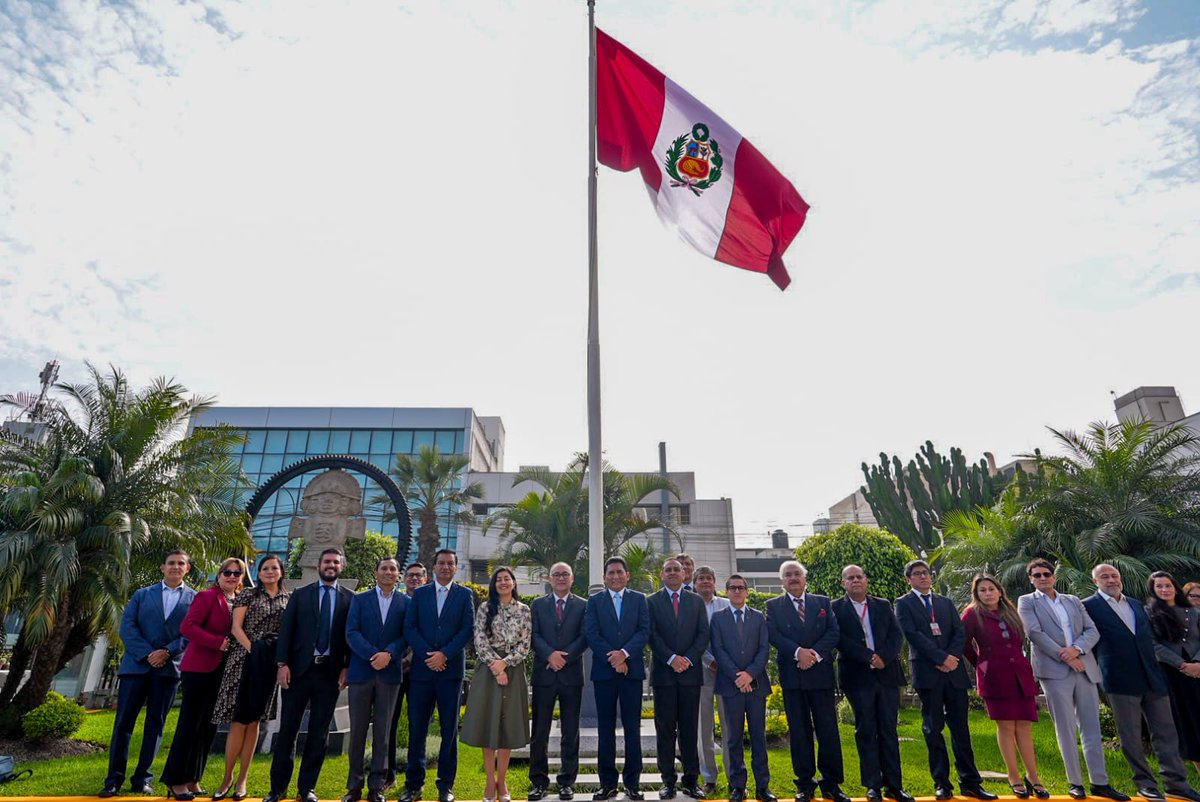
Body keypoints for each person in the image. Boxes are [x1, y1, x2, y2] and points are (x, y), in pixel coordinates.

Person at [1083, 563, 1200, 802]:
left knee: (1167, 733)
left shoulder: (1137, 605)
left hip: (1152, 676)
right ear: (1095, 581)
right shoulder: (1088, 606)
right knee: (1131, 736)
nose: (1111, 579)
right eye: (1104, 576)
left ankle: (1176, 784)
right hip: (1120, 679)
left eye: (1114, 575)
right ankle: (1145, 784)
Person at [1017, 559, 1127, 802]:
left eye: (1046, 574)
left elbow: (1092, 631)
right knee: (1065, 728)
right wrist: (1066, 657)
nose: (1042, 578)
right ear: (1031, 579)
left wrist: (1076, 650)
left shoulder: (1073, 600)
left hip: (1084, 668)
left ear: (1054, 577)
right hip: (1054, 671)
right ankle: (1075, 782)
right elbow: (1034, 633)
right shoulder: (1027, 601)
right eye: (1037, 575)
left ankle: (1100, 783)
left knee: (1092, 727)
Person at [894, 559, 996, 802]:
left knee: (961, 728)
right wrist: (940, 658)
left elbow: (959, 632)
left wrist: (951, 658)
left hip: (954, 673)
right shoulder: (903, 603)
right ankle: (942, 783)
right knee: (933, 729)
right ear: (909, 579)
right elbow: (912, 635)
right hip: (928, 672)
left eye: (926, 572)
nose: (923, 576)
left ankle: (970, 783)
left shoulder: (944, 602)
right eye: (917, 574)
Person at [100, 550, 197, 798]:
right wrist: (147, 654)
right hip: (136, 667)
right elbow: (127, 626)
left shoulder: (194, 598)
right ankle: (113, 780)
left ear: (187, 569)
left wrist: (167, 651)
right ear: (163, 567)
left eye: (181, 564)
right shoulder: (142, 594)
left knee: (155, 725)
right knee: (123, 724)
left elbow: (190, 633)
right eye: (171, 563)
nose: (175, 567)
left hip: (167, 670)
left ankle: (142, 778)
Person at [264, 548, 354, 802]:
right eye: (327, 561)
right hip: (298, 672)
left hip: (330, 674)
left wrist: (347, 667)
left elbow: (350, 636)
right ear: (319, 565)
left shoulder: (350, 599)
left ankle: (307, 788)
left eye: (335, 562)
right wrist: (282, 664)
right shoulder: (301, 595)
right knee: (288, 730)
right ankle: (277, 788)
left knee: (319, 733)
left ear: (341, 566)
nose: (331, 565)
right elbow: (287, 630)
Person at [162, 557, 246, 799]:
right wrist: (216, 642)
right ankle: (175, 780)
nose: (232, 576)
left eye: (237, 573)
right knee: (189, 724)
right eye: (227, 572)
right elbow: (188, 627)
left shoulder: (239, 601)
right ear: (219, 575)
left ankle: (193, 778)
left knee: (208, 727)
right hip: (199, 669)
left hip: (224, 671)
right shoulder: (207, 596)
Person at [765, 560, 847, 802]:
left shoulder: (822, 602)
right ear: (782, 581)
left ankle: (831, 783)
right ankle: (804, 784)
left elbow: (833, 632)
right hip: (793, 677)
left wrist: (813, 655)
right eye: (788, 575)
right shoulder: (773, 606)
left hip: (821, 675)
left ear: (804, 578)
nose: (793, 578)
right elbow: (773, 635)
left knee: (828, 731)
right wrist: (798, 653)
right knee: (799, 732)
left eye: (797, 574)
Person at [830, 565, 912, 802]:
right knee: (866, 730)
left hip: (886, 674)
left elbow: (896, 635)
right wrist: (868, 656)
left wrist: (883, 657)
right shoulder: (835, 608)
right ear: (843, 583)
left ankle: (894, 785)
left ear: (866, 580)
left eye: (859, 577)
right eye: (850, 578)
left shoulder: (882, 605)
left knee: (888, 729)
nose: (855, 580)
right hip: (857, 677)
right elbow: (838, 639)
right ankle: (873, 785)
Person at [211, 554, 291, 802]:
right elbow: (236, 627)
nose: (269, 571)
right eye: (265, 568)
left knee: (255, 721)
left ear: (281, 571)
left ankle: (243, 779)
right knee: (239, 721)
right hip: (243, 659)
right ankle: (227, 777)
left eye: (274, 568)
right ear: (259, 572)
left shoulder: (288, 599)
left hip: (269, 664)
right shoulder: (248, 594)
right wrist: (253, 650)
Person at [400, 548, 476, 802]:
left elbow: (467, 629)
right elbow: (410, 628)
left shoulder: (464, 594)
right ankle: (414, 786)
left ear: (456, 567)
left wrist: (444, 654)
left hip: (450, 672)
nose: (445, 567)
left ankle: (446, 786)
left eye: (449, 563)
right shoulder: (420, 594)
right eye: (441, 563)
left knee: (449, 730)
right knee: (417, 729)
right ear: (433, 567)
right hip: (422, 672)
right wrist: (429, 655)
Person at [961, 574, 1046, 799]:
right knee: (1007, 726)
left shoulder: (1011, 612)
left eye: (991, 589)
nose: (988, 593)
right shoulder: (972, 614)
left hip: (1020, 675)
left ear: (1000, 591)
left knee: (1024, 725)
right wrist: (982, 664)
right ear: (976, 594)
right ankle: (1014, 777)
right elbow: (963, 643)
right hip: (994, 677)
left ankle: (1033, 777)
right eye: (982, 590)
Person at [461, 567, 532, 802]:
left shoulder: (524, 610)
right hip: (488, 670)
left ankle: (502, 780)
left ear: (513, 583)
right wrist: (495, 666)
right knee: (489, 722)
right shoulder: (485, 608)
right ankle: (490, 781)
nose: (503, 582)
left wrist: (506, 663)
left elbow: (525, 644)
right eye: (499, 579)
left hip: (514, 668)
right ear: (494, 584)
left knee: (508, 725)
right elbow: (479, 640)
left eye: (507, 579)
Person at [584, 556, 650, 802]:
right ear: (604, 577)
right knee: (605, 729)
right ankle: (607, 784)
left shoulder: (639, 599)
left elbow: (644, 631)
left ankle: (633, 783)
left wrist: (624, 654)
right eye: (610, 573)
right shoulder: (595, 601)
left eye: (619, 572)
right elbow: (591, 633)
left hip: (631, 672)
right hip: (604, 673)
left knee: (632, 728)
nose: (615, 576)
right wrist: (613, 658)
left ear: (627, 575)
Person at [345, 557, 410, 802]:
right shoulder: (360, 599)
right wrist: (373, 655)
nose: (388, 572)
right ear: (376, 572)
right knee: (358, 731)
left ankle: (377, 786)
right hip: (362, 672)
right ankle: (354, 786)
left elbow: (407, 634)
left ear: (398, 574)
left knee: (383, 732)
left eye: (393, 569)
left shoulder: (406, 602)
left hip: (389, 674)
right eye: (384, 568)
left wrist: (389, 654)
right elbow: (351, 632)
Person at [647, 558, 710, 800]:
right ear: (662, 575)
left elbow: (703, 634)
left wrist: (687, 659)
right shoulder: (651, 601)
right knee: (665, 730)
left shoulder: (696, 601)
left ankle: (691, 781)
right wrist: (672, 658)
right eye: (668, 570)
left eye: (677, 569)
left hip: (690, 675)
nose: (673, 573)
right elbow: (651, 635)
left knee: (689, 729)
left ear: (685, 574)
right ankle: (668, 782)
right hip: (664, 675)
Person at [709, 574, 774, 802]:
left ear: (747, 591)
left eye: (740, 587)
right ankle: (738, 786)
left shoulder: (758, 617)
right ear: (726, 591)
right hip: (730, 686)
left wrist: (749, 674)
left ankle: (762, 787)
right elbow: (718, 649)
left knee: (758, 737)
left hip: (756, 686)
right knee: (733, 738)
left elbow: (764, 649)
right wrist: (737, 676)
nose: (737, 591)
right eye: (732, 588)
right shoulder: (718, 618)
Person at [528, 562, 588, 802]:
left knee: (570, 731)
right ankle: (538, 782)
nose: (561, 578)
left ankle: (566, 782)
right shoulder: (537, 604)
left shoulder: (583, 605)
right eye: (557, 574)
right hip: (544, 674)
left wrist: (564, 657)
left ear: (572, 578)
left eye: (565, 574)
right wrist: (550, 655)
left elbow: (585, 636)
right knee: (539, 731)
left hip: (571, 676)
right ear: (549, 578)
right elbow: (533, 635)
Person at [1147, 571, 1200, 774]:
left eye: (1168, 585)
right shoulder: (1148, 613)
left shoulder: (1193, 612)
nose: (1164, 589)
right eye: (1159, 586)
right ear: (1153, 590)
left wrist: (1197, 663)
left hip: (1198, 671)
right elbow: (1152, 644)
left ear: (1175, 588)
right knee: (1189, 723)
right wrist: (1182, 665)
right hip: (1172, 675)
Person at [386, 561, 429, 790]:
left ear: (426, 579)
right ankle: (388, 775)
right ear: (404, 579)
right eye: (410, 575)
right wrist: (396, 659)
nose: (414, 579)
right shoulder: (398, 602)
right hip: (393, 669)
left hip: (419, 672)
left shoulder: (429, 604)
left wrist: (409, 660)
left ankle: (415, 779)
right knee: (388, 724)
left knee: (417, 725)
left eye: (418, 575)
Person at [693, 566, 731, 795]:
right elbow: (691, 638)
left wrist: (724, 663)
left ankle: (734, 775)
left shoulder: (726, 604)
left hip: (727, 672)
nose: (705, 581)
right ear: (694, 583)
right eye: (701, 578)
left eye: (709, 578)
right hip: (701, 672)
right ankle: (709, 777)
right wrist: (710, 661)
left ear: (715, 582)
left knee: (730, 725)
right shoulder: (690, 606)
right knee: (703, 727)